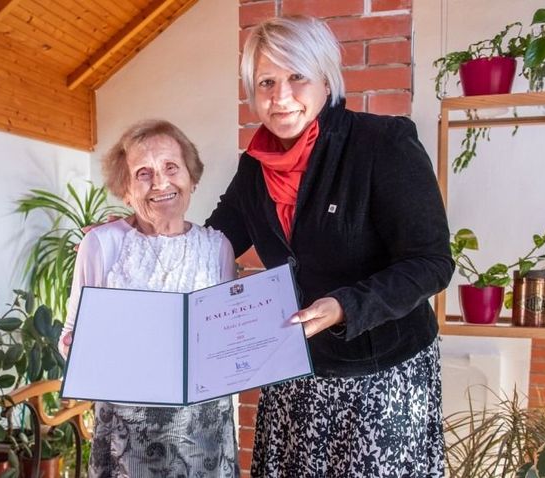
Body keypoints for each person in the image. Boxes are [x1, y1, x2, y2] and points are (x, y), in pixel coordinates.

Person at [204, 15, 453, 477]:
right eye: (266, 82)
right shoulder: (254, 167)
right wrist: (141, 231)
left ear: (325, 78)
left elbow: (431, 262)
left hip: (381, 376)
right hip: (296, 377)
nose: (280, 97)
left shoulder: (381, 142)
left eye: (296, 76)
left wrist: (346, 305)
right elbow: (210, 246)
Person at [58, 120, 238, 478]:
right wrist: (79, 348)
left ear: (192, 177)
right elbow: (71, 334)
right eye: (143, 173)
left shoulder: (217, 247)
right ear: (125, 190)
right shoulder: (102, 244)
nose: (160, 182)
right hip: (126, 438)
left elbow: (227, 340)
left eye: (172, 167)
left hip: (203, 436)